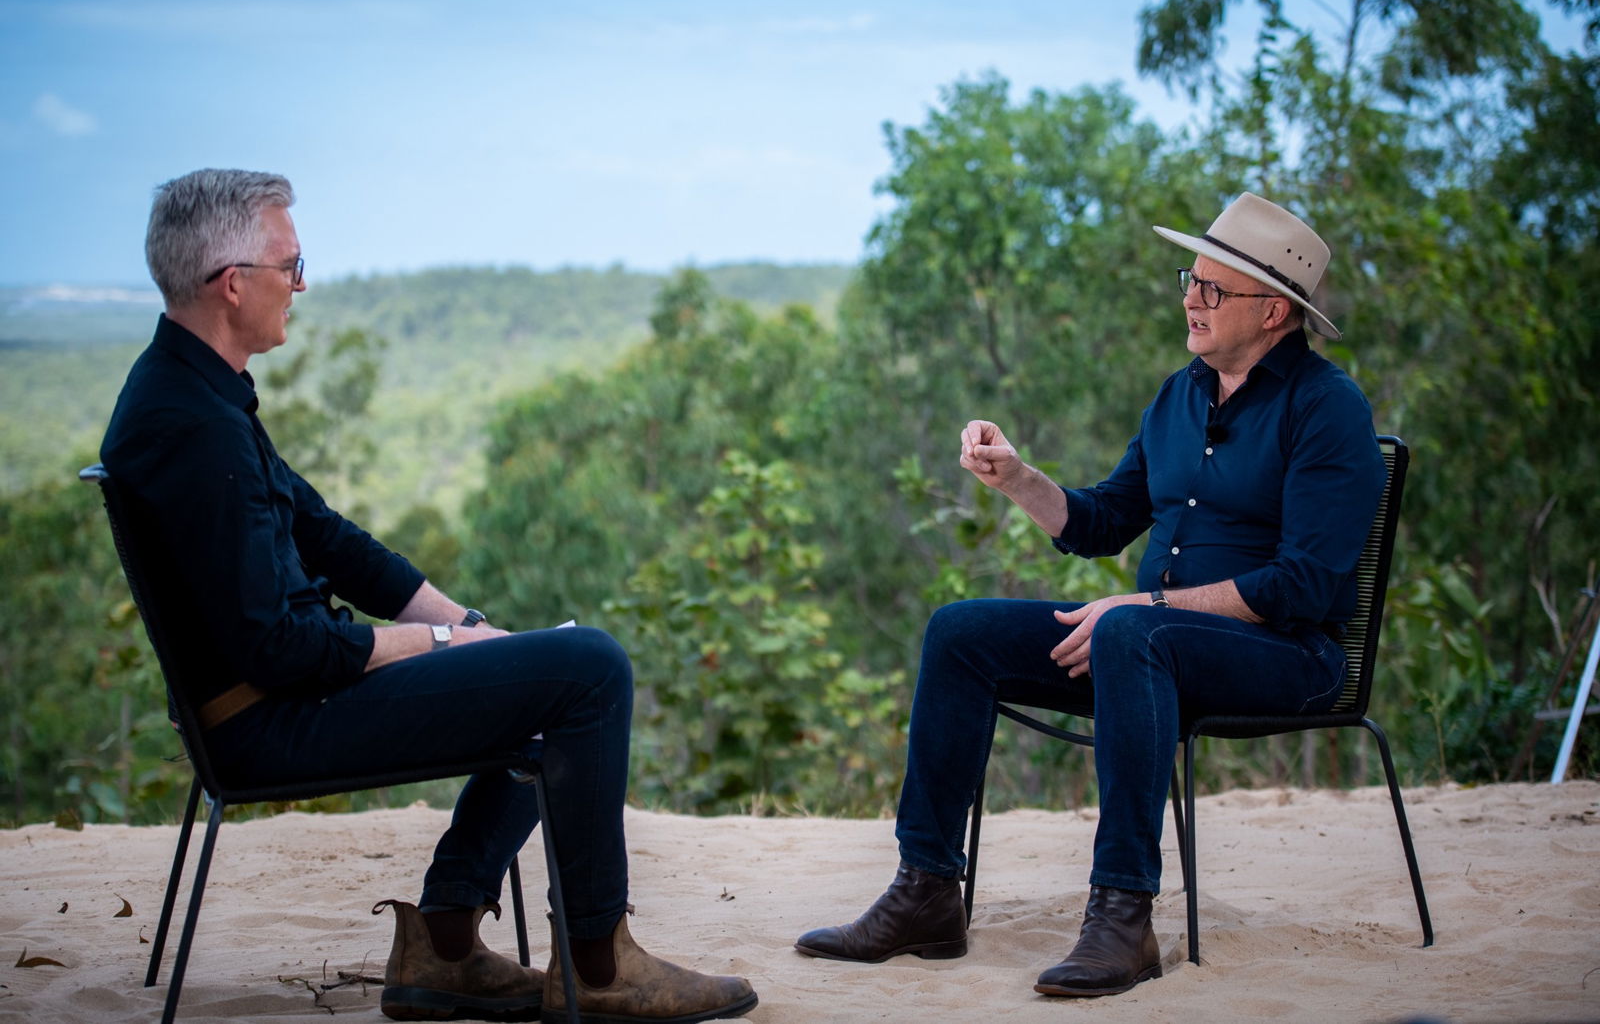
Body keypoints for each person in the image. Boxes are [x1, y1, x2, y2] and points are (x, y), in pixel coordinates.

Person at [101, 169, 757, 1024]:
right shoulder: (192, 427)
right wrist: (446, 650)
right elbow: (284, 650)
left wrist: (476, 629)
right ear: (234, 285)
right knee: (591, 667)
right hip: (270, 721)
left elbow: (329, 539)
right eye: (291, 267)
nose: (301, 287)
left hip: (280, 697)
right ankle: (597, 965)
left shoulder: (196, 395)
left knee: (553, 665)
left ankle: (445, 946)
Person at [794, 192, 1385, 998]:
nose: (1189, 298)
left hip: (1287, 655)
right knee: (960, 633)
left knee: (1126, 634)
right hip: (1146, 648)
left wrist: (1146, 612)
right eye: (1191, 278)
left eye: (1213, 288)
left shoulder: (1327, 409)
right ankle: (928, 890)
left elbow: (1304, 585)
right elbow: (1105, 520)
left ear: (1275, 311)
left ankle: (1122, 918)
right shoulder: (1181, 394)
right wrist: (1018, 478)